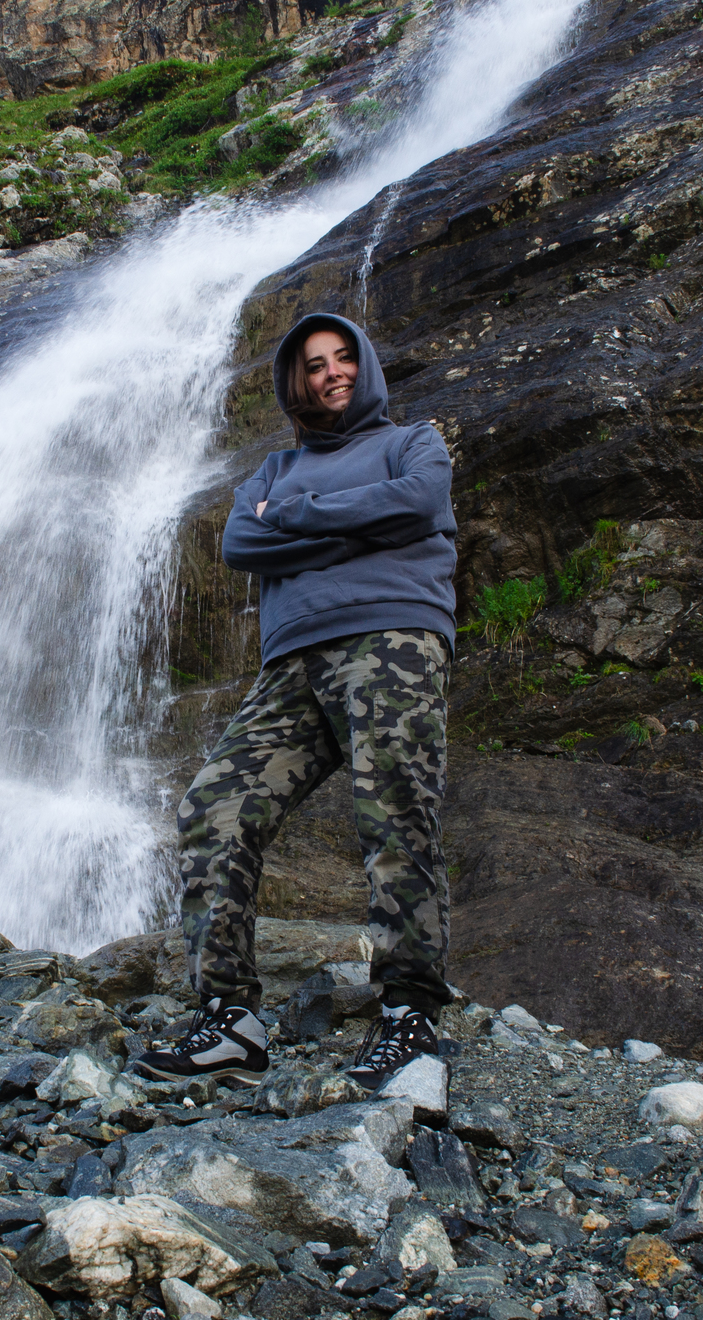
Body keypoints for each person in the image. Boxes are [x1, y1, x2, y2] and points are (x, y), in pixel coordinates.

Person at [133, 312, 457, 1091]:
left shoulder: (414, 444)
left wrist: (304, 523)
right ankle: (229, 1021)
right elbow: (242, 544)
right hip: (289, 665)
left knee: (393, 812)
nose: (332, 371)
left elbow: (416, 504)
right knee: (214, 809)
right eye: (313, 364)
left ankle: (410, 1019)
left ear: (366, 365)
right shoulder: (270, 472)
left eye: (345, 357)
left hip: (392, 637)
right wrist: (360, 524)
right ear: (295, 381)